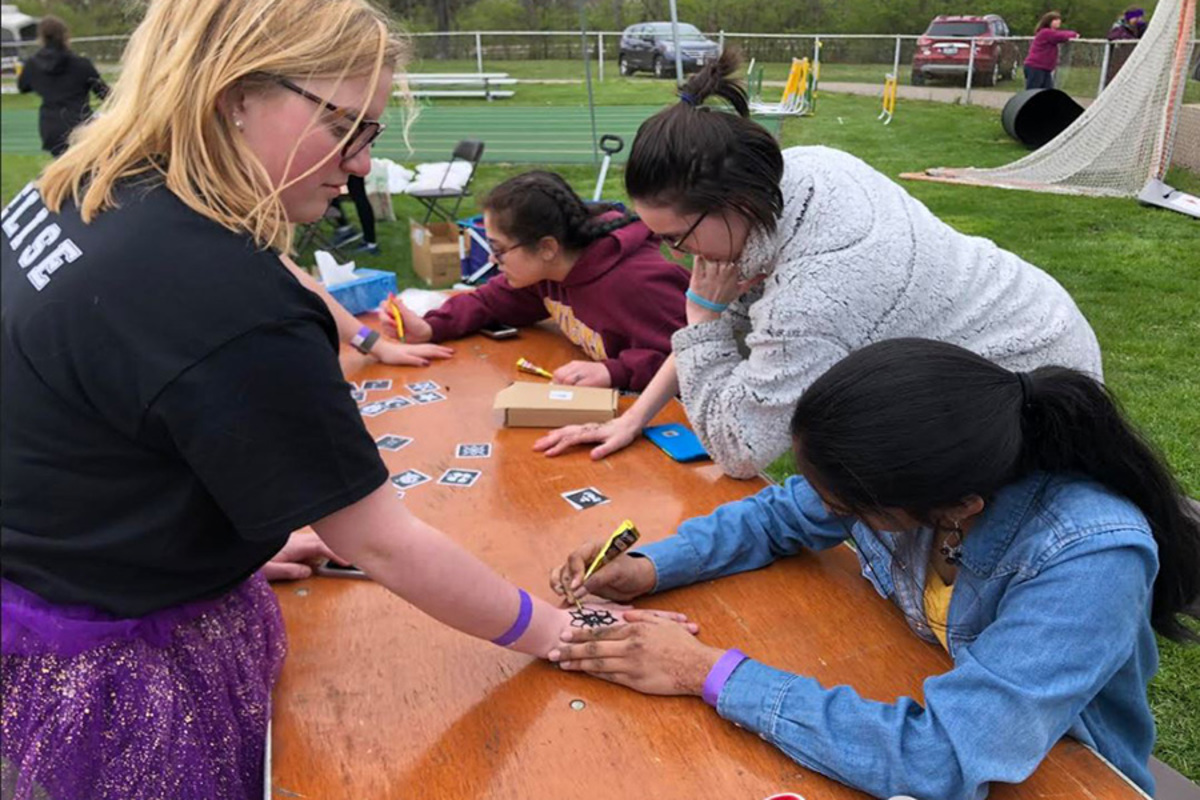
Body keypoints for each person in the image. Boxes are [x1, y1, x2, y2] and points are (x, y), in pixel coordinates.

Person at [0, 3, 693, 798]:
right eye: (346, 128)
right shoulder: (222, 297)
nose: (363, 165)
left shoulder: (90, 186)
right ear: (235, 95)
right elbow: (384, 542)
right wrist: (569, 631)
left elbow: (91, 411)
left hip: (58, 595)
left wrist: (212, 542)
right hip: (124, 662)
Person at [548, 338, 1200, 799]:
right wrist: (651, 566)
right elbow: (777, 516)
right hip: (924, 680)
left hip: (1068, 771)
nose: (818, 506)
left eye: (842, 506)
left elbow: (943, 756)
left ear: (957, 507)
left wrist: (704, 671)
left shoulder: (1089, 557)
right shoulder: (922, 456)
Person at [535, 51, 1102, 479]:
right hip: (1028, 314)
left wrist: (700, 323)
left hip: (1027, 376)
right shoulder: (790, 174)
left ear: (733, 204)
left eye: (675, 238)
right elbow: (731, 310)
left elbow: (739, 448)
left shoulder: (819, 292)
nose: (673, 255)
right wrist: (635, 417)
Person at [381, 170, 689, 391]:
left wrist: (616, 372)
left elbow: (693, 356)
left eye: (499, 250)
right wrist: (431, 327)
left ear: (546, 248)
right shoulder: (547, 272)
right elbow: (490, 301)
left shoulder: (639, 283)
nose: (492, 261)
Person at [16, 15, 109, 157]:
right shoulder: (81, 64)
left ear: (41, 38)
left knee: (61, 170)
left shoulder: (33, 64)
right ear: (66, 36)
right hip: (79, 125)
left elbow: (23, 86)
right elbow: (104, 93)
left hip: (51, 126)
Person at [1023, 12, 1079, 90]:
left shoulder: (1050, 33)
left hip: (1044, 68)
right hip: (1035, 67)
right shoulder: (1045, 32)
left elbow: (1059, 35)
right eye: (1055, 19)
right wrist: (1074, 34)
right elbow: (1061, 36)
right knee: (1033, 93)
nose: (1058, 21)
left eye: (1059, 19)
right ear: (1049, 21)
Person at [1106, 7, 1147, 84]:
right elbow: (1112, 36)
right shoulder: (1119, 27)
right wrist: (1129, 39)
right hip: (1120, 58)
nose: (1139, 19)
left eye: (1140, 17)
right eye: (1136, 17)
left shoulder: (1140, 27)